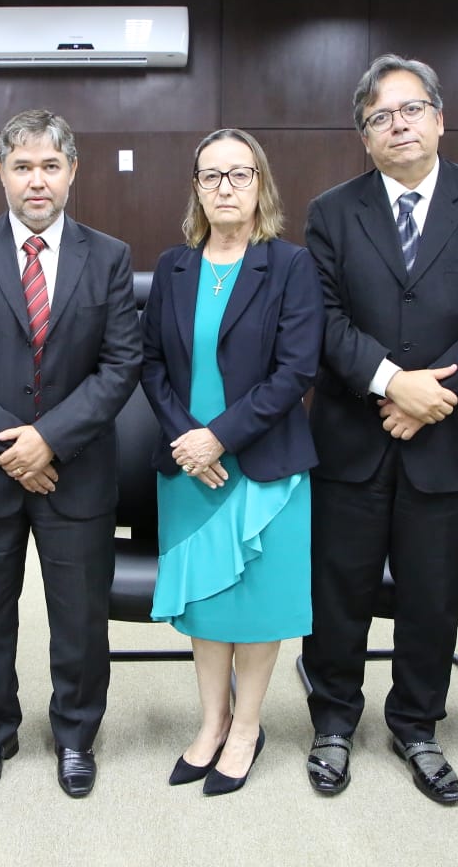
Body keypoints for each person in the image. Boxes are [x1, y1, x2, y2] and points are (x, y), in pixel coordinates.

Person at [301, 54, 458, 804]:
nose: (397, 125)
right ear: (363, 136)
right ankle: (333, 721)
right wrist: (390, 381)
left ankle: (417, 724)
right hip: (351, 437)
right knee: (338, 593)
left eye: (410, 110)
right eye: (380, 117)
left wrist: (434, 392)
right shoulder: (332, 211)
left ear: (439, 118)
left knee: (433, 597)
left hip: (450, 437)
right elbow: (323, 319)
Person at [0, 109, 141, 799]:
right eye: (23, 166)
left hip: (76, 473)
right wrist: (14, 445)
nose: (37, 180)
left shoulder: (109, 256)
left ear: (72, 172)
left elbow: (120, 364)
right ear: (2, 173)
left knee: (80, 619)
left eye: (51, 165)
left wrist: (49, 439)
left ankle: (76, 735)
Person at [141, 129, 322, 796]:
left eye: (239, 174)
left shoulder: (291, 266)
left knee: (256, 600)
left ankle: (246, 727)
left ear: (260, 184)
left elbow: (296, 370)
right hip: (189, 467)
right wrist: (188, 439)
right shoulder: (174, 267)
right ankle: (211, 721)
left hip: (263, 464)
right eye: (211, 175)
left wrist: (219, 437)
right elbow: (151, 364)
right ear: (196, 187)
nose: (225, 187)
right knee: (208, 600)